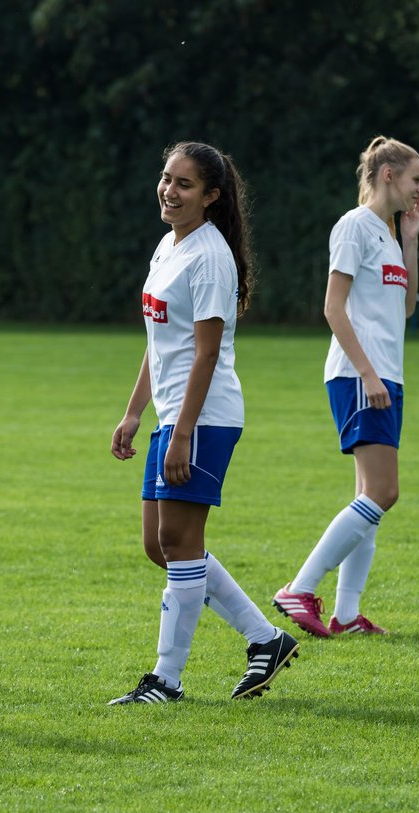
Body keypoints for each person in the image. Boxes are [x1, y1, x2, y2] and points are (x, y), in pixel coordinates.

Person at [108, 141, 299, 705]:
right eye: (166, 179)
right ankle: (266, 639)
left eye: (185, 184)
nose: (169, 191)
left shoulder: (210, 256)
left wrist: (183, 430)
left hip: (205, 418)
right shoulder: (169, 245)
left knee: (179, 541)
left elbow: (206, 353)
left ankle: (166, 680)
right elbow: (159, 341)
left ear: (212, 197)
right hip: (174, 414)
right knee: (160, 544)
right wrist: (134, 410)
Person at [272, 136, 419, 638]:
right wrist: (367, 373)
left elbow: (405, 309)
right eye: (416, 179)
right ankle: (299, 589)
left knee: (369, 497)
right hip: (361, 375)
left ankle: (344, 614)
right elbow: (333, 308)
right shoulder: (354, 226)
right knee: (384, 492)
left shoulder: (386, 232)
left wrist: (411, 239)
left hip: (385, 374)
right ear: (387, 175)